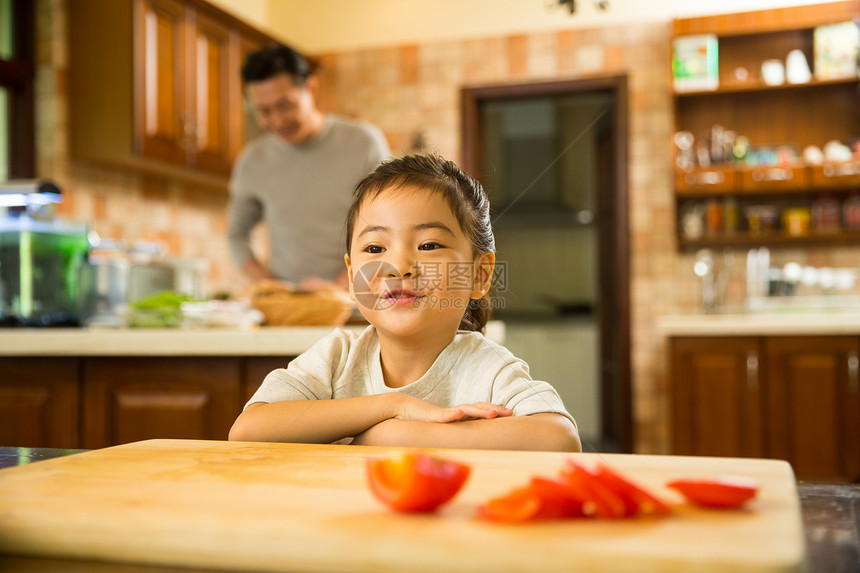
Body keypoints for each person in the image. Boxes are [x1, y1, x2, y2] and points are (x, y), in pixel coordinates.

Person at [229, 154, 581, 452]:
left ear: (479, 274)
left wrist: (390, 434)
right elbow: (248, 431)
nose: (398, 266)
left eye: (428, 245)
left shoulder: (487, 367)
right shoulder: (336, 356)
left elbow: (559, 438)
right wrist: (390, 405)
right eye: (375, 248)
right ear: (352, 278)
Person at [227, 43, 390, 289]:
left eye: (285, 106)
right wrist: (269, 286)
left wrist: (338, 288)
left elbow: (388, 228)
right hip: (290, 312)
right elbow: (236, 235)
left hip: (361, 304)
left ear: (311, 88)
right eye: (264, 111)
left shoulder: (364, 143)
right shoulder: (252, 160)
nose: (277, 120)